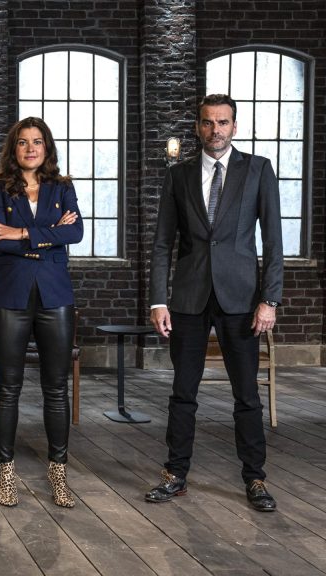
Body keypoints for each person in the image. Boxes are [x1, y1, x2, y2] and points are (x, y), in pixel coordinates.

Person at [146, 94, 283, 512]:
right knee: (182, 392)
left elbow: (273, 241)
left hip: (241, 299)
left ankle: (255, 479)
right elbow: (163, 243)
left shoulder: (258, 170)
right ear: (197, 127)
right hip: (189, 298)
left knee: (247, 395)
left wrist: (269, 299)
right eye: (207, 122)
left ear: (234, 127)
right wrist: (158, 301)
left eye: (223, 122)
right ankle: (175, 474)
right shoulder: (179, 175)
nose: (215, 130)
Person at [0, 116, 83, 508]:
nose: (30, 148)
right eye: (23, 142)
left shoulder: (63, 187)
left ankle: (58, 473)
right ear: (14, 148)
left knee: (56, 388)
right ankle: (6, 473)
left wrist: (22, 233)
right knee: (8, 387)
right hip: (11, 295)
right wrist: (48, 237)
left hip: (55, 296)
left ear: (47, 148)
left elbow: (75, 233)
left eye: (37, 141)